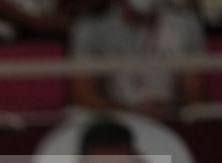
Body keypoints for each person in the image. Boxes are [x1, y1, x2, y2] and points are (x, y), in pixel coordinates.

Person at [69, 0, 205, 117]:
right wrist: (132, 111)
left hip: (170, 116)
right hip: (113, 118)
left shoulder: (187, 24)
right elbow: (83, 93)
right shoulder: (90, 27)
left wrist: (167, 111)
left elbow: (193, 91)